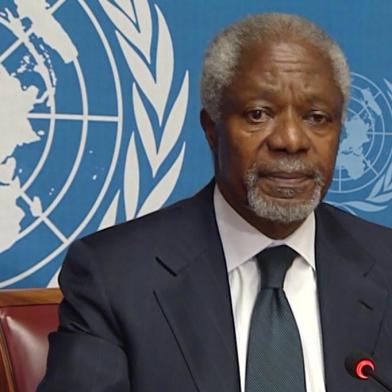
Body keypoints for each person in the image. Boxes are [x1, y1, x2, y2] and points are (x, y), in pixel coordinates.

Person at [38, 13, 392, 392]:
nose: (291, 140)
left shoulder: (384, 263)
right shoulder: (115, 277)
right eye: (259, 114)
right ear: (211, 129)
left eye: (317, 117)